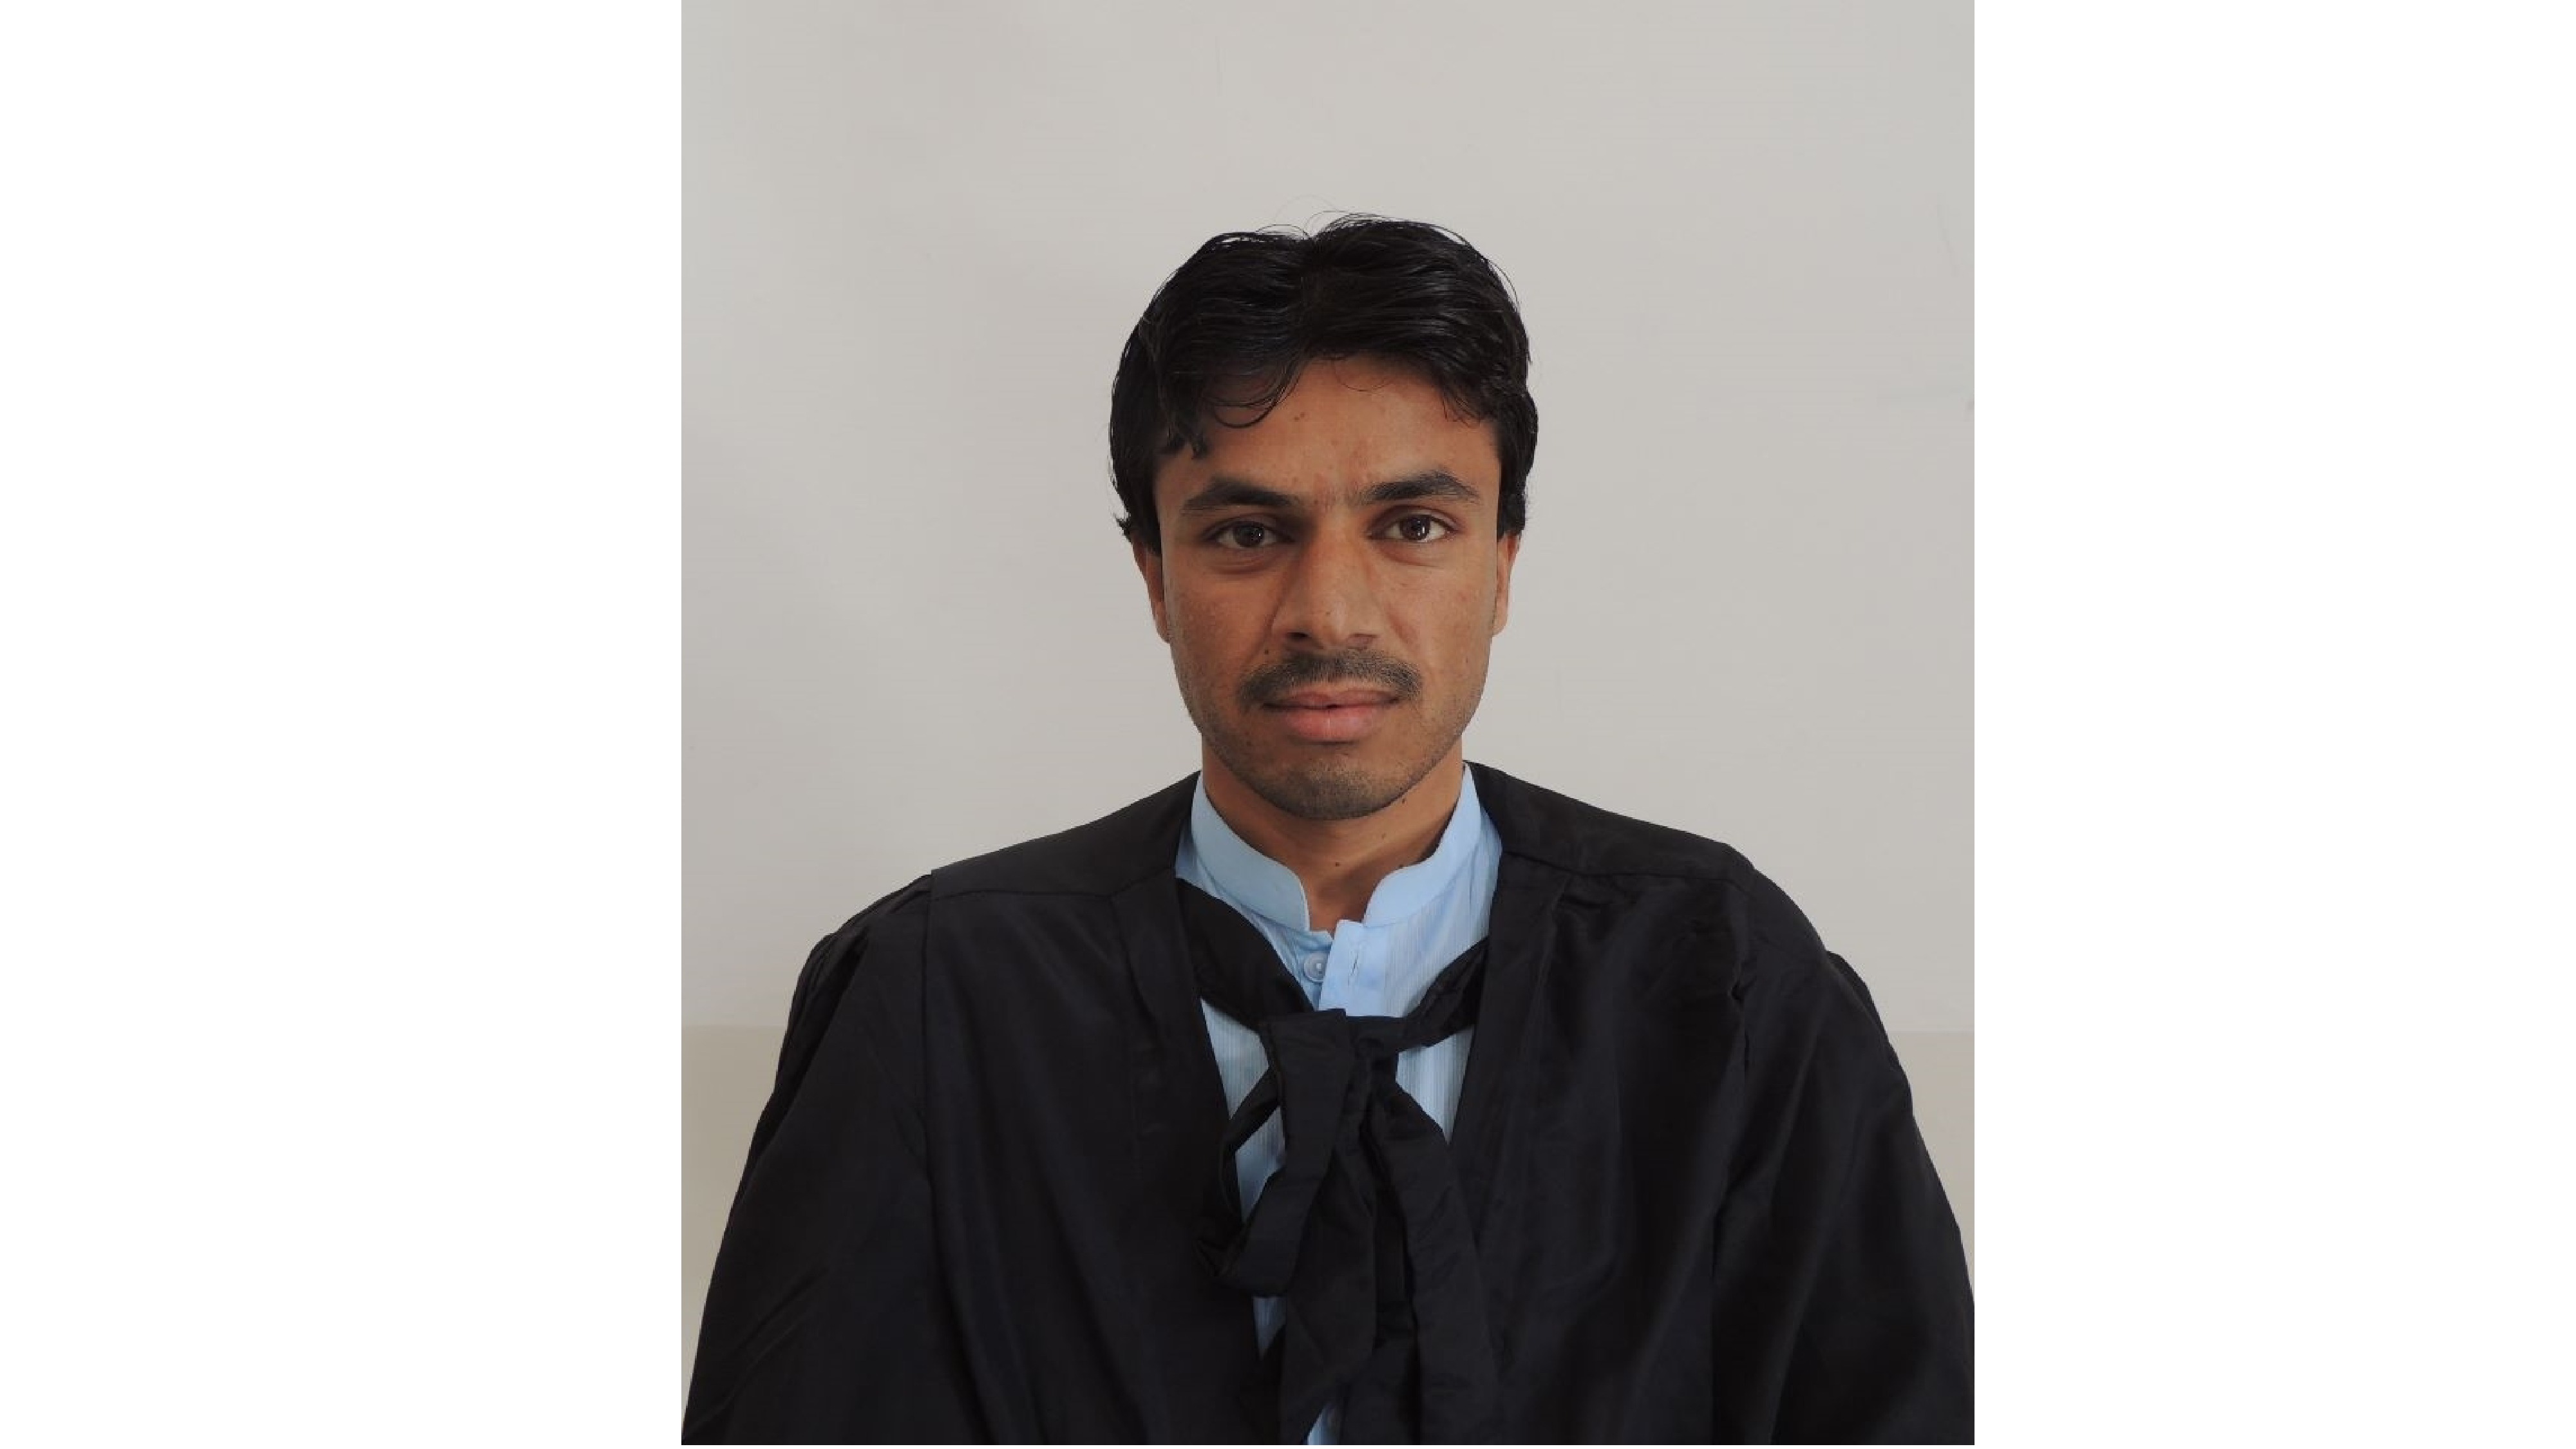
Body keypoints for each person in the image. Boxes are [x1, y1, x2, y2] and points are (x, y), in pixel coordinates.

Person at [683, 216, 1973, 1444]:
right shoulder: (930, 997)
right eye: (1248, 533)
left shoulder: (1726, 979)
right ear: (1155, 577)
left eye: (1413, 527)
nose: (1331, 611)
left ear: (1502, 565)